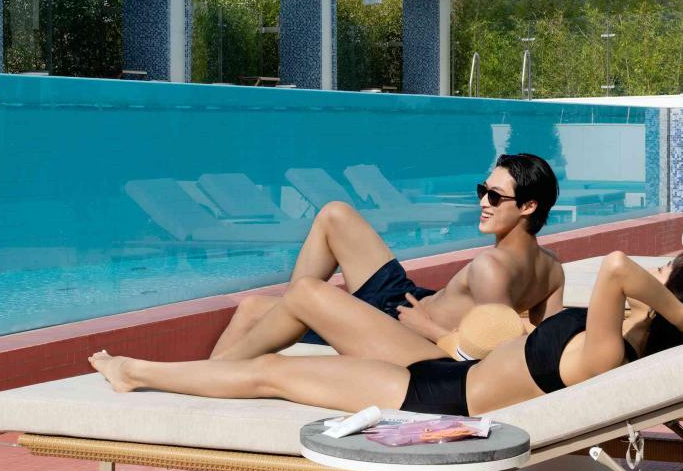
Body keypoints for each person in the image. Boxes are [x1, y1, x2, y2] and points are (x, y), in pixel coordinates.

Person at [90, 251, 683, 416]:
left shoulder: (612, 352)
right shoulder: (611, 335)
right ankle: (236, 338)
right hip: (447, 368)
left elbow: (615, 266)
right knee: (312, 297)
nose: (652, 272)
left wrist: (668, 299)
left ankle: (134, 372)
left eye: (665, 272)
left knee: (275, 376)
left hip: (437, 400)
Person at [208, 153, 564, 367]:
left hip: (403, 331)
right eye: (482, 191)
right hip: (410, 299)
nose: (483, 202)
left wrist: (431, 331)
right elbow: (552, 340)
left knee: (253, 309)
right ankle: (294, 317)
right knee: (335, 215)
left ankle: (204, 384)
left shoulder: (492, 267)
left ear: (528, 206)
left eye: (496, 197)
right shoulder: (551, 268)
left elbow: (495, 358)